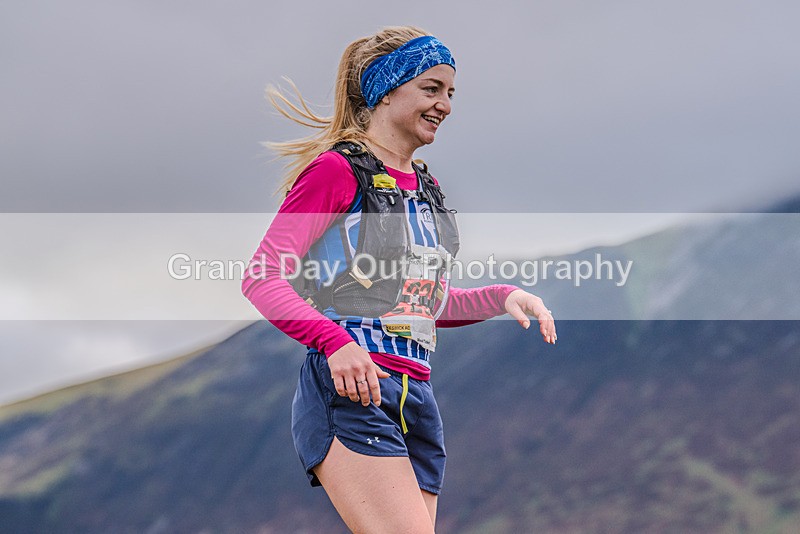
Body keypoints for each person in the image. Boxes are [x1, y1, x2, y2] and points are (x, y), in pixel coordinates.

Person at [242, 25, 556, 533]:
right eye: (430, 89)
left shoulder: (425, 184)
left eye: (450, 93)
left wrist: (502, 296)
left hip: (417, 396)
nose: (446, 105)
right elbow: (263, 277)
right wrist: (336, 343)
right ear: (385, 89)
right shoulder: (336, 172)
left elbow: (414, 301)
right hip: (356, 389)